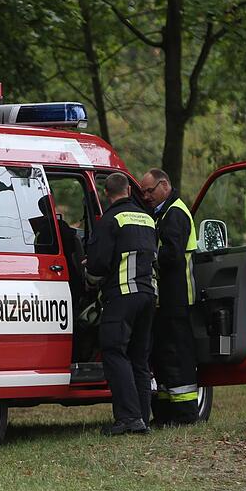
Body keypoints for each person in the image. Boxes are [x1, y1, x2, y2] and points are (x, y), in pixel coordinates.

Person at [86, 173, 158, 435]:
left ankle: (128, 418)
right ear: (129, 190)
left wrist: (89, 276)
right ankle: (142, 418)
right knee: (139, 357)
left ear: (106, 193)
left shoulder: (110, 220)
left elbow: (98, 265)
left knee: (114, 351)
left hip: (123, 295)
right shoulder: (147, 219)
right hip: (148, 296)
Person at [139, 168, 199, 426]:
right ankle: (165, 413)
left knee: (177, 356)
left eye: (149, 191)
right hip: (166, 299)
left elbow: (172, 254)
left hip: (178, 297)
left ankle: (185, 414)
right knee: (163, 356)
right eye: (143, 192)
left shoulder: (175, 213)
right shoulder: (162, 213)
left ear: (164, 185)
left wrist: (148, 257)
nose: (146, 196)